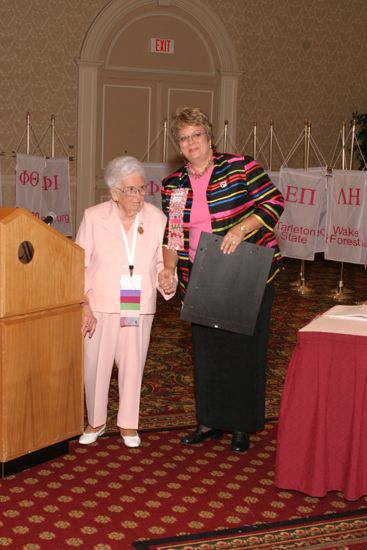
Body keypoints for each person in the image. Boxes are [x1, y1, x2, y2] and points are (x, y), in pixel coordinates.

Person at [159, 107, 284, 453]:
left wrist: (241, 230)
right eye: (184, 138)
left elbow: (274, 203)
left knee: (244, 350)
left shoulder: (241, 167)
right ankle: (210, 420)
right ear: (179, 145)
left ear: (210, 137)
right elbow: (172, 235)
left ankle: (241, 425)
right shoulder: (174, 186)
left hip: (247, 272)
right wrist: (168, 268)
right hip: (200, 276)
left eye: (196, 134)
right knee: (207, 352)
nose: (191, 142)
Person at [76, 156, 175, 447]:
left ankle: (129, 425)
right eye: (130, 190)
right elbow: (79, 264)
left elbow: (161, 262)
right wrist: (84, 304)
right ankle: (95, 421)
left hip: (136, 302)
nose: (138, 195)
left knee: (134, 363)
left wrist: (166, 278)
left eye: (141, 188)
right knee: (95, 364)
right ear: (114, 193)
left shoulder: (156, 218)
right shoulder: (94, 217)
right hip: (101, 302)